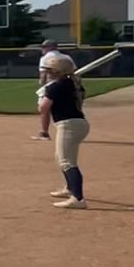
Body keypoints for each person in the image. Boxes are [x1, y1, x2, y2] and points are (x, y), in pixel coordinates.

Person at [38, 52, 90, 209]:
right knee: (62, 157)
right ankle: (70, 188)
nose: (47, 73)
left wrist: (43, 96)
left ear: (57, 71)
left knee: (66, 161)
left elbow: (43, 108)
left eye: (50, 70)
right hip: (78, 123)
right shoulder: (73, 84)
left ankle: (78, 199)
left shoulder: (56, 86)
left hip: (68, 125)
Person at [33, 39, 60, 140]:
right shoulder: (66, 57)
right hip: (67, 86)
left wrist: (42, 83)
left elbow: (43, 75)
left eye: (44, 47)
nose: (42, 49)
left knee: (43, 109)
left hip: (51, 86)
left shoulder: (45, 58)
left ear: (50, 47)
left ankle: (45, 133)